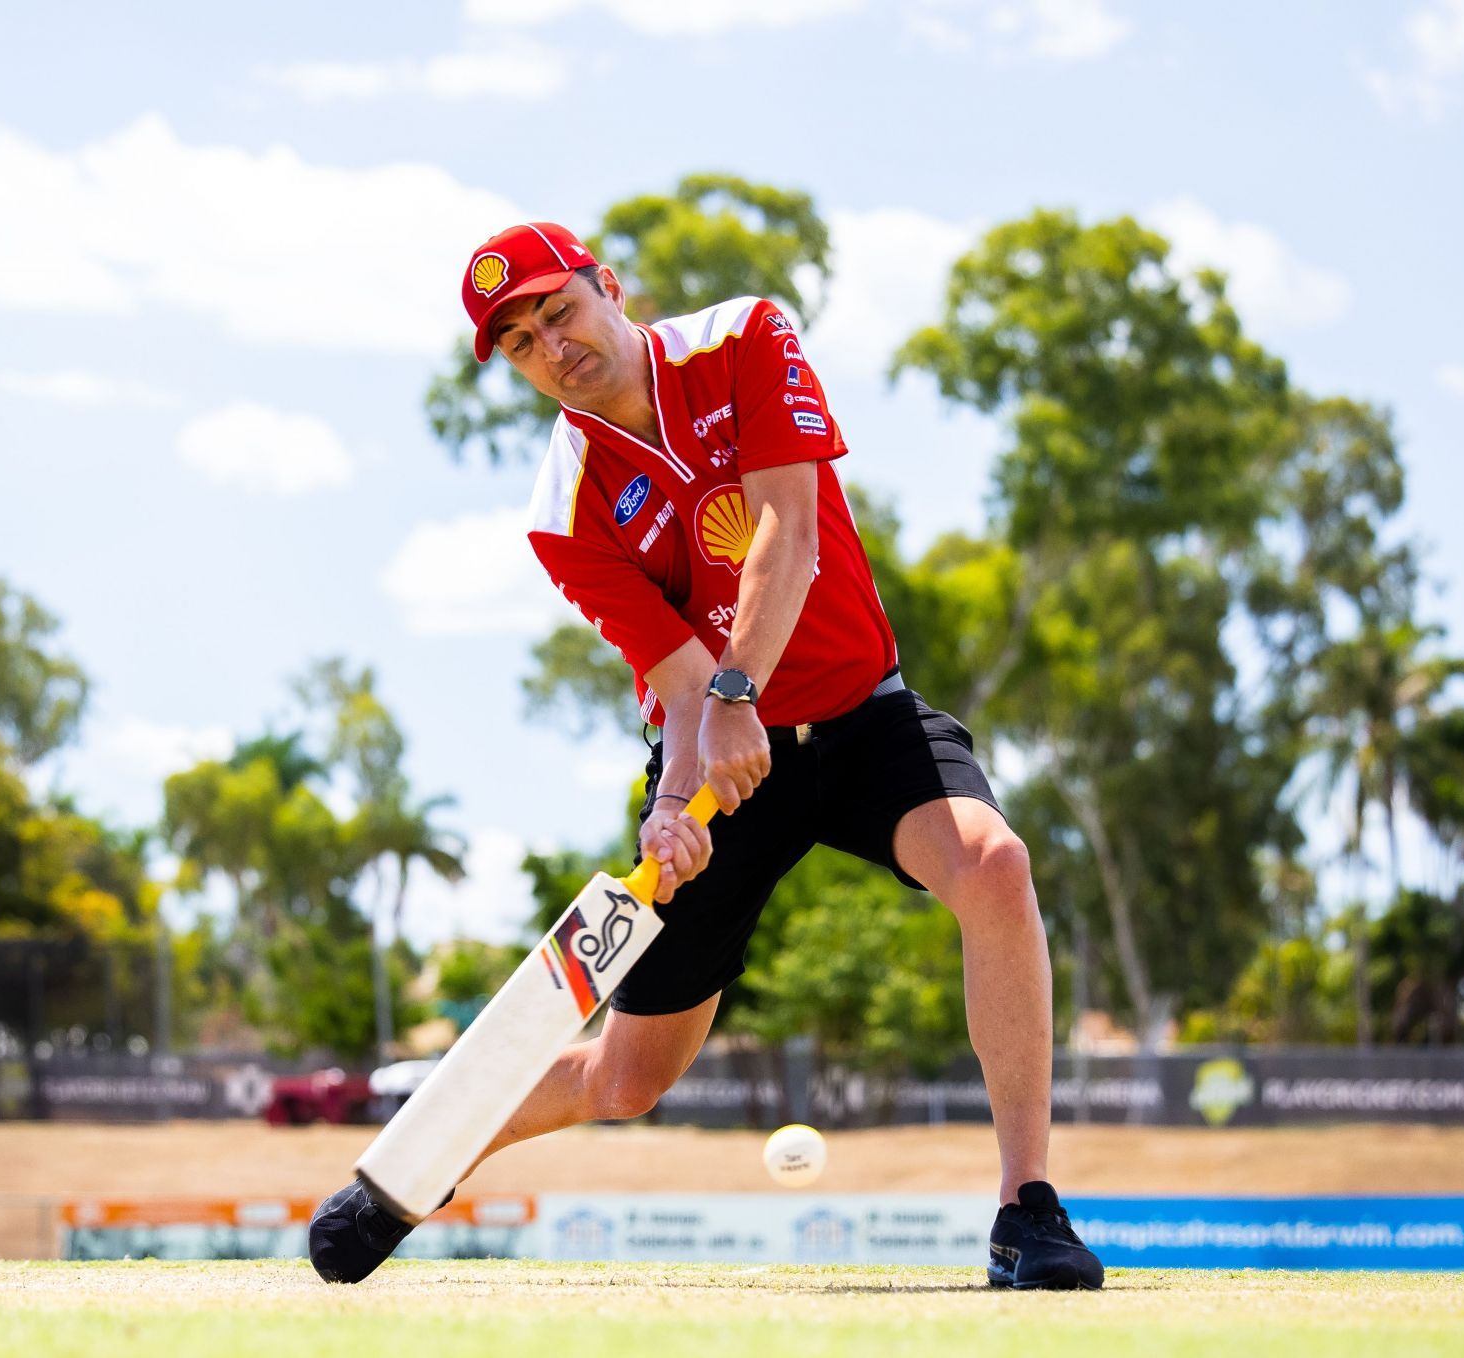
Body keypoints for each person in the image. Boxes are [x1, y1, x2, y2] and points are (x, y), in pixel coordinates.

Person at [310, 221, 1103, 1291]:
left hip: (864, 714)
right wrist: (675, 807)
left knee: (994, 865)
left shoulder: (745, 338)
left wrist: (740, 690)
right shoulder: (565, 509)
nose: (553, 342)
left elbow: (792, 526)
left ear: (610, 289)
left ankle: (1028, 1210)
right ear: (511, 367)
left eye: (559, 309)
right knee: (628, 1077)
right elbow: (676, 680)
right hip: (725, 761)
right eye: (521, 340)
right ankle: (426, 1159)